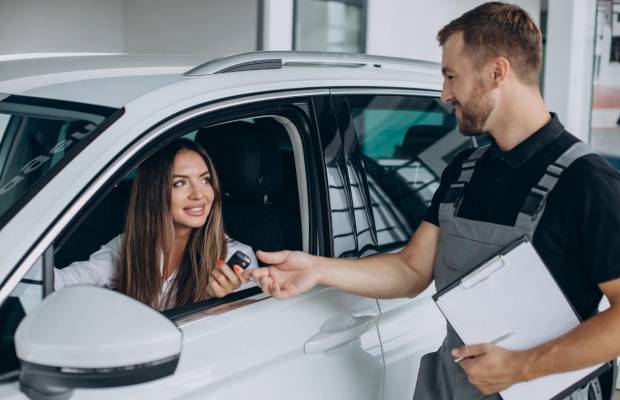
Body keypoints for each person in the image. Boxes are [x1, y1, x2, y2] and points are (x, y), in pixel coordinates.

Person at [245, 3, 620, 399]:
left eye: (451, 76)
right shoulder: (466, 169)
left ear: (497, 72)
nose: (444, 94)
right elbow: (411, 270)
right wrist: (317, 268)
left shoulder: (587, 183)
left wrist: (522, 367)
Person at [55, 138, 258, 310]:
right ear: (154, 193)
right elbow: (76, 277)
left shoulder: (234, 257)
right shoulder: (130, 245)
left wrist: (221, 303)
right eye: (180, 183)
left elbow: (245, 336)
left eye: (205, 180)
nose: (199, 194)